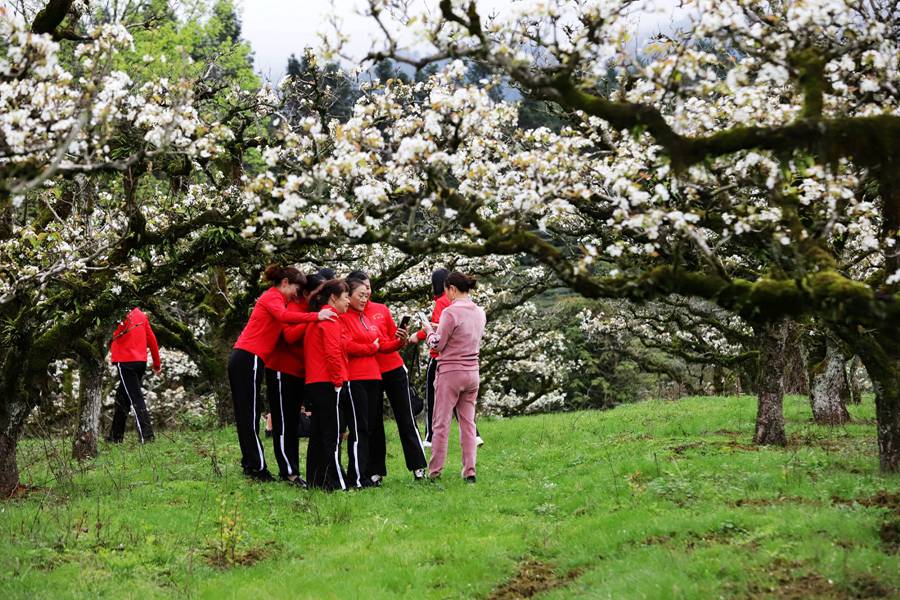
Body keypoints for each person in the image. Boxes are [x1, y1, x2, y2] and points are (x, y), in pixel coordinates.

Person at [228, 265, 335, 482]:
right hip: (249, 356)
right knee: (249, 415)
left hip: (251, 358)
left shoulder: (279, 298)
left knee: (249, 413)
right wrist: (316, 317)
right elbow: (284, 318)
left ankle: (253, 464)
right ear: (285, 283)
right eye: (295, 288)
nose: (296, 293)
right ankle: (256, 467)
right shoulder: (273, 297)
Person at [347, 271, 427, 483]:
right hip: (370, 374)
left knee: (406, 417)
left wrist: (401, 340)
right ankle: (375, 471)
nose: (367, 293)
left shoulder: (381, 310)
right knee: (374, 423)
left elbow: (391, 341)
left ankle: (418, 467)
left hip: (393, 369)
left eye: (369, 288)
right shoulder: (350, 313)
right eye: (363, 289)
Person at [424, 272, 486, 482]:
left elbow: (437, 345)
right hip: (472, 371)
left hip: (450, 372)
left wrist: (428, 331)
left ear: (451, 289)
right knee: (468, 423)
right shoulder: (479, 312)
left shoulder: (450, 312)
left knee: (440, 423)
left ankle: (435, 472)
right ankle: (470, 471)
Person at [412, 268, 484, 447]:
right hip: (469, 363)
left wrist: (421, 333)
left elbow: (438, 333)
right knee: (465, 403)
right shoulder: (472, 306)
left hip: (443, 360)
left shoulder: (444, 304)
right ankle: (474, 436)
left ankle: (430, 437)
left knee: (434, 399)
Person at [263, 277, 323, 487]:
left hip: (300, 372)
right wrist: (313, 319)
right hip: (281, 369)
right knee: (283, 422)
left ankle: (294, 470)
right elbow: (288, 335)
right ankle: (288, 472)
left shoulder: (314, 309)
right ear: (307, 292)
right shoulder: (293, 307)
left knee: (294, 421)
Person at [304, 279, 352, 491]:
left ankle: (316, 480)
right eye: (345, 297)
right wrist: (338, 381)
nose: (348, 302)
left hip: (314, 381)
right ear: (334, 298)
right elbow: (332, 353)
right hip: (327, 382)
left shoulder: (317, 320)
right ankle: (335, 482)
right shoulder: (330, 319)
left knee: (317, 433)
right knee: (331, 434)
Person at [340, 278, 382, 488]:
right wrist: (370, 348)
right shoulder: (344, 317)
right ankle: (356, 477)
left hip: (374, 377)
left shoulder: (364, 317)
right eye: (360, 295)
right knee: (359, 428)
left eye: (367, 295)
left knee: (370, 428)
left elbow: (378, 340)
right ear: (349, 296)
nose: (365, 299)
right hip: (355, 378)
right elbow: (347, 345)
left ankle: (365, 473)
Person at [107, 307, 162, 443]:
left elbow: (111, 336)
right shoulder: (141, 315)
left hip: (125, 362)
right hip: (140, 362)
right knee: (122, 398)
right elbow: (152, 340)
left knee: (135, 398)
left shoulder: (117, 314)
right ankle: (115, 437)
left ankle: (147, 436)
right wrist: (156, 363)